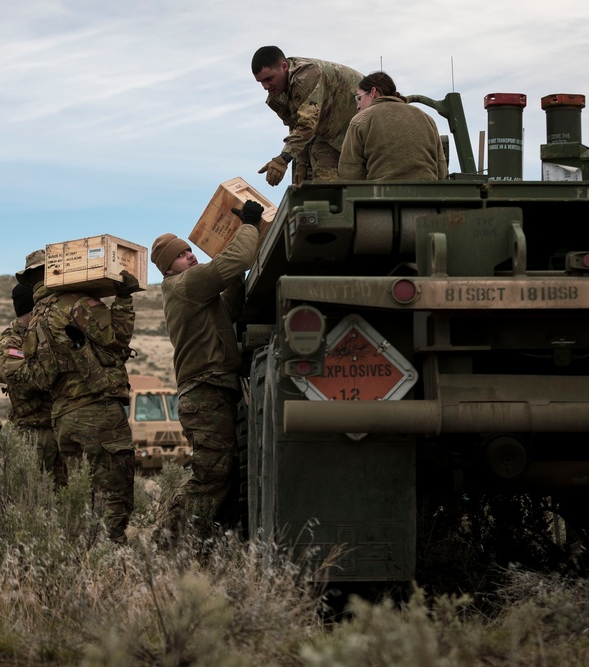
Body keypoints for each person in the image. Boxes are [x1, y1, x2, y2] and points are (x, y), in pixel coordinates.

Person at [151, 200, 263, 531]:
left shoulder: (197, 294)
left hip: (212, 389)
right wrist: (249, 224)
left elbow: (229, 305)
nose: (191, 255)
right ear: (168, 268)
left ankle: (211, 549)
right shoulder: (183, 284)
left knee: (225, 474)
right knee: (213, 473)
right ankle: (164, 541)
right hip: (205, 390)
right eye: (182, 254)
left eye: (190, 250)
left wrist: (232, 273)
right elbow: (239, 259)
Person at [17, 249, 141, 543]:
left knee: (79, 495)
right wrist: (123, 298)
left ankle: (81, 556)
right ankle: (111, 558)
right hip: (95, 412)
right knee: (113, 490)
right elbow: (117, 336)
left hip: (63, 419)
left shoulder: (35, 320)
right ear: (57, 269)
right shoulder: (74, 303)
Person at [0, 281, 67, 487]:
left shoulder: (47, 335)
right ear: (33, 307)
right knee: (30, 497)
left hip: (60, 431)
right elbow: (23, 377)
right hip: (31, 436)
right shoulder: (11, 342)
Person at [252, 45, 363, 186]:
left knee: (369, 181)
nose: (265, 86)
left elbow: (307, 124)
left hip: (363, 127)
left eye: (269, 79)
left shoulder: (307, 75)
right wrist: (301, 162)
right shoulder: (277, 97)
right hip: (328, 135)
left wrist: (283, 159)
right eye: (261, 82)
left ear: (284, 67)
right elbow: (296, 127)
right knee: (321, 184)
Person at [338, 71, 448, 181]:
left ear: (373, 92)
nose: (357, 106)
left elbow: (349, 174)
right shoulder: (427, 119)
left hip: (381, 196)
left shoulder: (360, 120)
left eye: (359, 98)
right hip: (428, 196)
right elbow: (442, 171)